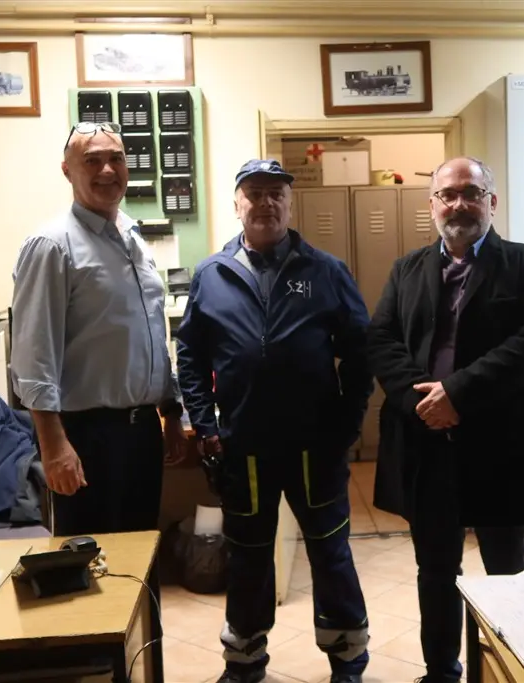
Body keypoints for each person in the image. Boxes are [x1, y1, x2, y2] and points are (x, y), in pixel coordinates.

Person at [174, 159, 373, 683]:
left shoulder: (325, 270)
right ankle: (244, 663)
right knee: (248, 558)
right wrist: (206, 427)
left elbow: (360, 352)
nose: (265, 202)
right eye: (254, 193)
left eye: (275, 193)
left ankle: (348, 661)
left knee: (330, 553)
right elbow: (191, 356)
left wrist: (347, 426)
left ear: (289, 202)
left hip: (315, 449)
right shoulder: (212, 274)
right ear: (236, 204)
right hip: (244, 449)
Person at [367, 156, 524, 682]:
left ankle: (514, 669)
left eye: (471, 193)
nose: (459, 204)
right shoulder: (406, 269)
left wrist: (457, 393)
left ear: (492, 202)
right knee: (435, 570)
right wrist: (422, 401)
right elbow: (380, 339)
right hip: (426, 442)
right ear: (433, 206)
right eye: (448, 195)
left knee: (507, 569)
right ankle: (441, 671)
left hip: (500, 444)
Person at [10, 121, 186, 537]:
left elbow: (148, 332)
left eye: (116, 159)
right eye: (92, 161)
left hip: (142, 432)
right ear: (67, 171)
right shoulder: (52, 245)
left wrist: (170, 410)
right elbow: (34, 355)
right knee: (90, 561)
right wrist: (53, 446)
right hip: (86, 436)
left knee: (140, 554)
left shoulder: (132, 238)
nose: (107, 170)